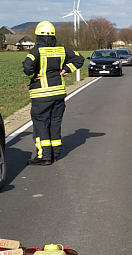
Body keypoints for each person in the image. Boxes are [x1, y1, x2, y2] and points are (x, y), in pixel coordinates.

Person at [22, 21, 84, 166]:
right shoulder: (61, 50)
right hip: (58, 94)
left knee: (41, 125)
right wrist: (66, 69)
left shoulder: (36, 51)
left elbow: (27, 67)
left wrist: (33, 76)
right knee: (55, 124)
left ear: (38, 36)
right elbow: (79, 58)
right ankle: (56, 154)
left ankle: (44, 156)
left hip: (41, 95)